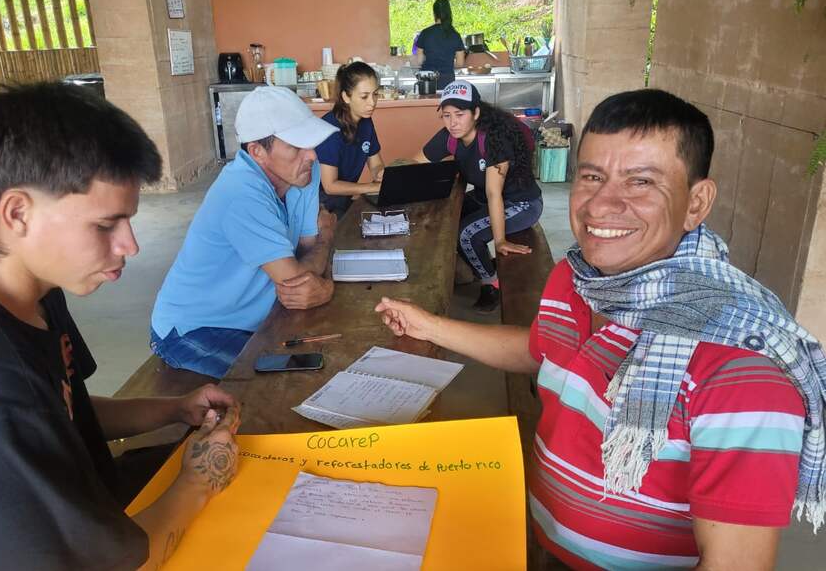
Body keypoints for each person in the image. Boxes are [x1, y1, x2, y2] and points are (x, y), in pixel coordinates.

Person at [378, 89, 826, 570]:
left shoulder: (743, 367)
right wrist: (430, 325)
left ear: (696, 203)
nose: (602, 204)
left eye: (641, 182)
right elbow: (542, 351)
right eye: (591, 176)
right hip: (541, 543)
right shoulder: (579, 279)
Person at [0, 82, 241, 570]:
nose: (130, 245)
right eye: (106, 225)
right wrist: (197, 483)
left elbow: (63, 415)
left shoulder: (15, 287)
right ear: (17, 212)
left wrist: (173, 409)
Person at [151, 86, 337, 378]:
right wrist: (326, 243)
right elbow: (298, 281)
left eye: (310, 143)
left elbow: (305, 259)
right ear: (257, 152)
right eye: (296, 146)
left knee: (324, 361)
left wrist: (316, 267)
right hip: (196, 328)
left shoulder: (303, 174)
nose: (312, 155)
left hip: (255, 317)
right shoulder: (241, 194)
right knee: (284, 384)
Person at [420, 80, 542, 313]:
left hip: (521, 204)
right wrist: (384, 176)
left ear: (476, 112)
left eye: (459, 114)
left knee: (467, 234)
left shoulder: (494, 140)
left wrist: (500, 241)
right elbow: (416, 162)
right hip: (484, 199)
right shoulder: (449, 136)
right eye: (446, 115)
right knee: (445, 218)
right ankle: (464, 269)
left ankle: (491, 283)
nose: (453, 122)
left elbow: (494, 193)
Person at [315, 61, 385, 216]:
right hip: (321, 207)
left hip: (345, 200)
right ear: (346, 97)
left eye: (375, 94)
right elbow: (330, 186)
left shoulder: (366, 122)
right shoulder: (329, 130)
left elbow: (376, 164)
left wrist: (380, 174)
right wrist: (371, 187)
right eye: (364, 97)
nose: (372, 103)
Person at [414, 0, 466, 88]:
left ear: (434, 14)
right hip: (447, 81)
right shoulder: (455, 35)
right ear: (449, 14)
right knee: (445, 102)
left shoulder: (425, 33)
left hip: (427, 81)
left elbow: (419, 61)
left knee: (428, 102)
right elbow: (460, 63)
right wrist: (447, 62)